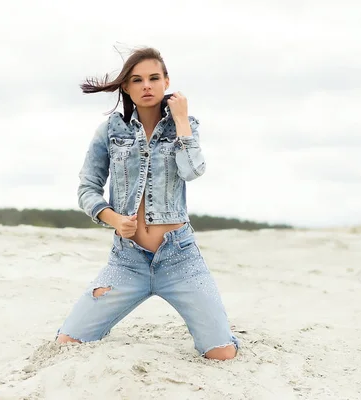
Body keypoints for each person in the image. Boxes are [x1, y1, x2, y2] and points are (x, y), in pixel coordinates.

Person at [56, 47, 239, 360]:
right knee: (68, 343)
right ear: (126, 87)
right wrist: (113, 219)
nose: (147, 85)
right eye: (137, 80)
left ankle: (218, 327)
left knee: (220, 354)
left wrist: (181, 121)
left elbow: (192, 170)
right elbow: (87, 188)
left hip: (179, 258)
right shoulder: (111, 132)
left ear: (166, 81)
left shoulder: (184, 126)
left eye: (154, 78)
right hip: (127, 262)